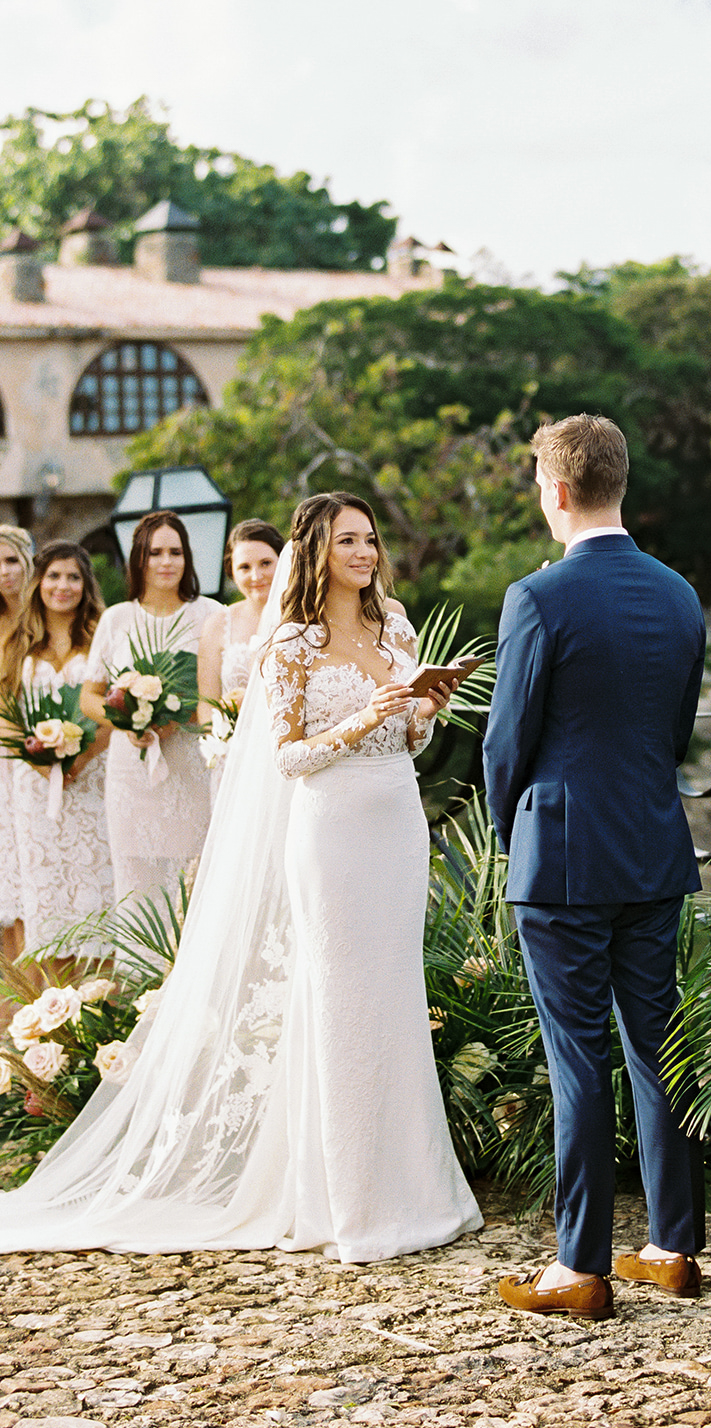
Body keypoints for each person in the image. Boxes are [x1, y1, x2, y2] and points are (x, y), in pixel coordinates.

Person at [0, 496, 482, 1258]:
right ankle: (345, 1202)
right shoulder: (288, 642)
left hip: (395, 822)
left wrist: (423, 708)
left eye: (370, 539)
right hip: (330, 830)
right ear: (317, 551)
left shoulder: (396, 625)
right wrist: (365, 716)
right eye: (347, 540)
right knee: (341, 1003)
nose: (364, 551)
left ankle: (414, 1188)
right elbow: (288, 756)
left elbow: (410, 741)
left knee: (394, 996)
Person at [483, 414, 707, 1321]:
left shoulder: (536, 599)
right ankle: (673, 1245)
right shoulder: (681, 595)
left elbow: (507, 743)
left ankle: (578, 1266)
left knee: (577, 1060)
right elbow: (676, 729)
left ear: (559, 490)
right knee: (658, 1050)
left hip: (564, 858)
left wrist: (515, 835)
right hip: (652, 848)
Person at [81, 512, 220, 914]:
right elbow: (90, 696)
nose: (166, 561)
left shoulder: (209, 615)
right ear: (138, 559)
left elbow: (220, 693)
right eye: (155, 552)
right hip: (131, 770)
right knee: (136, 878)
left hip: (191, 763)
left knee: (195, 875)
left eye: (175, 552)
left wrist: (182, 717)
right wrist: (129, 721)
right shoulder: (117, 619)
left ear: (188, 558)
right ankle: (142, 974)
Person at [6, 543, 113, 954]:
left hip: (92, 779)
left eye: (73, 577)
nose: (62, 586)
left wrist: (81, 758)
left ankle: (100, 1003)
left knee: (95, 885)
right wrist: (38, 761)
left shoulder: (101, 637)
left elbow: (114, 707)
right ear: (39, 583)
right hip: (33, 788)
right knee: (45, 892)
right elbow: (4, 710)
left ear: (86, 585)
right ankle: (53, 1010)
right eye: (53, 576)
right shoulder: (18, 643)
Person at [197, 519, 285, 798]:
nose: (256, 575)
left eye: (265, 563)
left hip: (286, 755)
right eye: (244, 567)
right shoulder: (217, 624)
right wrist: (224, 738)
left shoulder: (305, 618)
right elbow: (205, 703)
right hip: (235, 761)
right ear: (232, 572)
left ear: (283, 563)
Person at [0, 524, 34, 961]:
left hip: (35, 759)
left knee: (31, 883)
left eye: (11, 560)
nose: (4, 572)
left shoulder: (42, 626)